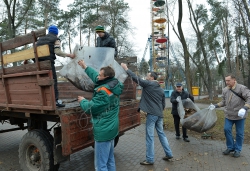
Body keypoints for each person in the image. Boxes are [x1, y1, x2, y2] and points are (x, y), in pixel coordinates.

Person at [121, 63, 173, 165]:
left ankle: (149, 159)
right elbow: (163, 104)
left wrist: (126, 69)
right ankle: (169, 153)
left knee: (149, 136)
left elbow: (137, 79)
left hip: (152, 115)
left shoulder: (149, 84)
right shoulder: (160, 89)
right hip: (159, 115)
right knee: (161, 134)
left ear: (152, 78)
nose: (146, 77)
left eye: (148, 76)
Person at [77, 60, 124, 171]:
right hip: (112, 128)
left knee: (100, 166)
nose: (98, 76)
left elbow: (90, 108)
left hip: (103, 131)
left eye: (100, 75)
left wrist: (83, 101)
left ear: (106, 77)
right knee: (110, 160)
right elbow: (96, 78)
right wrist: (85, 66)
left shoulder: (103, 92)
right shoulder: (114, 84)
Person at [211, 73, 250, 158]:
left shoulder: (242, 88)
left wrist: (245, 108)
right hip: (229, 115)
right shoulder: (225, 90)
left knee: (239, 133)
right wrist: (215, 105)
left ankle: (237, 150)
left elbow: (249, 98)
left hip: (240, 116)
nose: (227, 82)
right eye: (226, 80)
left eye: (228, 80)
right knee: (226, 129)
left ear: (234, 79)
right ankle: (230, 147)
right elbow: (224, 102)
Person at [35, 25, 75, 107]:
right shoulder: (55, 39)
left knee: (42, 81)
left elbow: (34, 51)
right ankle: (55, 101)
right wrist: (69, 55)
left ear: (49, 32)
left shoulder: (40, 40)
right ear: (56, 33)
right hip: (48, 63)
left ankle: (44, 100)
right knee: (53, 81)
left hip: (39, 64)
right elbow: (57, 52)